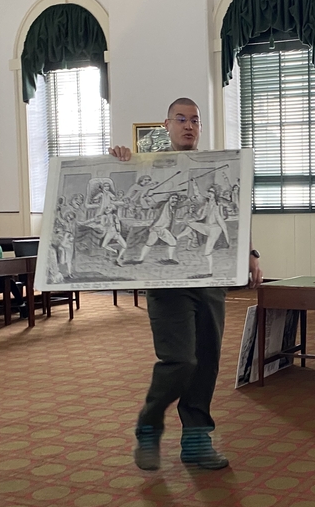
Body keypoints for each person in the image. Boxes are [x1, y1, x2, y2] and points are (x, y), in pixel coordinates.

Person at [109, 98, 262, 472]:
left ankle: (196, 441)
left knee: (207, 361)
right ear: (166, 125)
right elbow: (127, 191)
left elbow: (233, 214)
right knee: (180, 360)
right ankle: (150, 420)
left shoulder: (212, 167)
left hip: (209, 283)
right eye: (181, 119)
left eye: (195, 120)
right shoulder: (143, 164)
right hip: (165, 285)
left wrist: (251, 252)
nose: (189, 126)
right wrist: (115, 161)